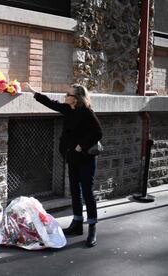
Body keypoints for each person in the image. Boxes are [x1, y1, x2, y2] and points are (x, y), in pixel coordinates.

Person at [22, 83, 103, 247]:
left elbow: (98, 132)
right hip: (72, 158)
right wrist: (33, 92)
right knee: (74, 190)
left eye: (68, 94)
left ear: (76, 99)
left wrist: (82, 145)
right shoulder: (68, 109)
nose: (65, 96)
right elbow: (50, 103)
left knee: (87, 192)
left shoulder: (87, 112)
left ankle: (92, 228)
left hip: (86, 159)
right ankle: (77, 223)